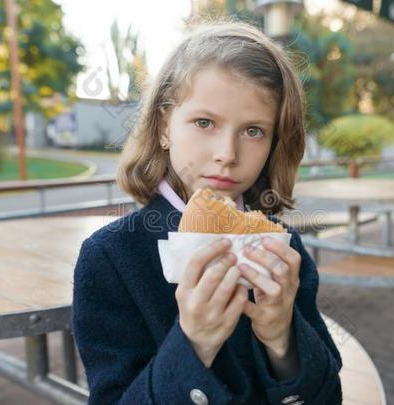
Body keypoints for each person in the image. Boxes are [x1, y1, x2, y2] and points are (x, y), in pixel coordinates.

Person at [72, 21, 343, 404]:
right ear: (165, 126)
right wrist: (193, 344)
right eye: (204, 123)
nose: (227, 154)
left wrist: (283, 340)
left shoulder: (285, 247)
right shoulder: (111, 259)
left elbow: (329, 396)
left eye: (253, 131)